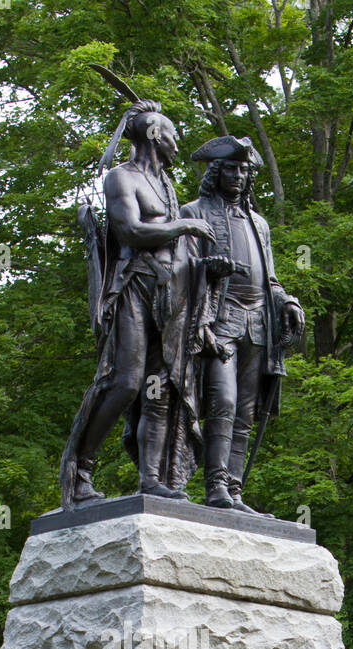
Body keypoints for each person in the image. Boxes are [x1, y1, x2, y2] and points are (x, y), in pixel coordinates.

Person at [60, 101, 232, 508]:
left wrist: (208, 268)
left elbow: (179, 252)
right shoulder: (121, 178)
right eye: (173, 134)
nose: (178, 143)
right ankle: (80, 473)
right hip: (133, 288)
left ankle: (151, 479)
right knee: (127, 382)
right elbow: (132, 230)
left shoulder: (169, 188)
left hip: (172, 298)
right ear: (155, 135)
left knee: (163, 388)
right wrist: (186, 225)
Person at [180, 136, 304, 512]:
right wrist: (206, 268)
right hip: (218, 322)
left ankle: (234, 489)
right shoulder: (194, 212)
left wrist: (289, 301)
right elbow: (176, 270)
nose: (238, 176)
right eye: (231, 169)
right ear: (216, 172)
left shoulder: (259, 224)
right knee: (223, 402)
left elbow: (271, 279)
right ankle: (214, 484)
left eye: (244, 170)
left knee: (246, 413)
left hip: (258, 324)